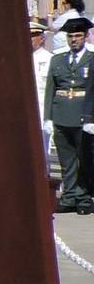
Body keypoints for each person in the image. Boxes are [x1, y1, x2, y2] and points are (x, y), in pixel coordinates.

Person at [46, 16, 94, 213]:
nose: (74, 40)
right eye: (71, 36)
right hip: (62, 114)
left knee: (85, 160)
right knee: (67, 161)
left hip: (83, 116)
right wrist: (48, 117)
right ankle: (69, 197)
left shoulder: (91, 59)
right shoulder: (58, 59)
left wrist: (91, 118)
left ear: (85, 37)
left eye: (78, 36)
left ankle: (83, 198)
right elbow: (51, 88)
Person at [32, 19, 56, 193]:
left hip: (42, 109)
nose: (31, 39)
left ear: (41, 38)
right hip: (27, 111)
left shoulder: (48, 59)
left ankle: (44, 183)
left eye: (34, 35)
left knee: (43, 151)